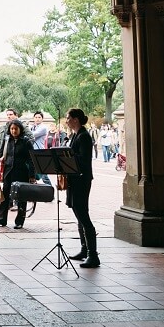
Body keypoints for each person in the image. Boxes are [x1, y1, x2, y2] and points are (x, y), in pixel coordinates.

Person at [65, 108, 100, 268]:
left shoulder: (84, 136)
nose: (66, 121)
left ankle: (93, 255)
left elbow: (84, 159)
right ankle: (84, 249)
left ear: (76, 119)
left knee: (83, 215)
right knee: (79, 215)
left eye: (68, 118)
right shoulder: (76, 135)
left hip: (81, 180)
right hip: (75, 179)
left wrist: (67, 154)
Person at [0, 119, 33, 229]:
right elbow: (1, 157)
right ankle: (1, 219)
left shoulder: (26, 141)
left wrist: (32, 175)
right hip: (8, 172)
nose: (14, 131)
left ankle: (19, 221)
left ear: (20, 129)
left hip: (21, 172)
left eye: (16, 129)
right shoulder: (7, 140)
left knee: (21, 198)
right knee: (4, 196)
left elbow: (31, 160)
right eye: (12, 129)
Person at [30, 111, 52, 186]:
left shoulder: (43, 128)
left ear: (42, 119)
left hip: (39, 152)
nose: (37, 119)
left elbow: (32, 135)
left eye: (39, 117)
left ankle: (50, 190)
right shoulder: (32, 127)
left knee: (43, 174)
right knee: (32, 174)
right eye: (36, 117)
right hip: (32, 152)